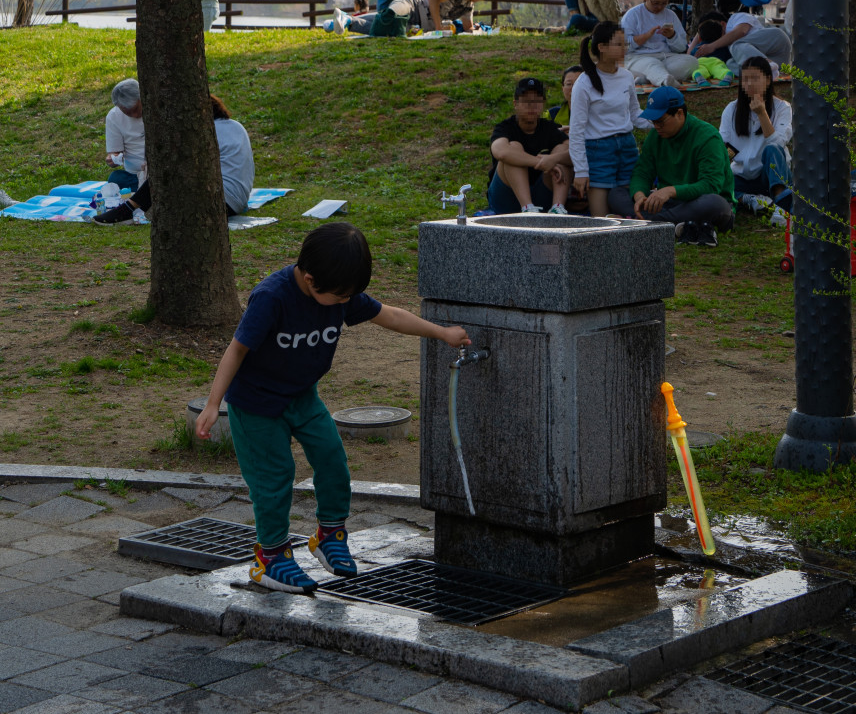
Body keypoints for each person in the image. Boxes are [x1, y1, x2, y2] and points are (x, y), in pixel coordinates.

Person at [196, 222, 469, 592]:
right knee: (274, 479)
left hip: (303, 397)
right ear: (310, 280)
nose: (346, 303)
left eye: (350, 298)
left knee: (332, 459)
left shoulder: (339, 289)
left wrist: (442, 332)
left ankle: (328, 536)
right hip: (257, 405)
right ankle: (271, 558)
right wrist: (214, 403)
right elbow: (237, 348)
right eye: (341, 298)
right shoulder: (272, 297)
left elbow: (389, 315)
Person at [93, 94, 254, 223]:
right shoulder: (236, 126)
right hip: (237, 202)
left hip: (219, 203)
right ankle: (133, 207)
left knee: (167, 170)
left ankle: (129, 208)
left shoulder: (206, 132)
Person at [617, 87, 736, 246]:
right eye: (653, 121)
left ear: (679, 114)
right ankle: (663, 223)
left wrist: (670, 191)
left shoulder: (707, 137)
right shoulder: (655, 136)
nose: (656, 126)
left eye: (660, 121)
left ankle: (647, 223)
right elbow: (642, 172)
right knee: (616, 194)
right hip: (671, 205)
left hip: (700, 201)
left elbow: (710, 185)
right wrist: (640, 196)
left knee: (715, 203)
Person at [568, 22, 648, 217]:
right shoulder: (584, 83)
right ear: (601, 48)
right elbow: (576, 131)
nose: (624, 49)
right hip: (598, 152)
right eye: (618, 44)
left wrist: (660, 123)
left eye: (625, 44)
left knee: (630, 212)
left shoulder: (627, 77)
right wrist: (581, 171)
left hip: (627, 148)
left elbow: (635, 114)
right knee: (601, 219)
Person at [719, 57, 792, 225]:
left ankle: (781, 203)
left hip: (770, 176)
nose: (749, 84)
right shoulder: (732, 109)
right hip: (743, 177)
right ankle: (749, 199)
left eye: (755, 78)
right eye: (745, 79)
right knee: (718, 176)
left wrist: (762, 113)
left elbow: (778, 143)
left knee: (772, 149)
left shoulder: (782, 107)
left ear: (767, 79)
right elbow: (723, 145)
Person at [488, 77, 574, 214]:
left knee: (561, 151)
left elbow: (575, 153)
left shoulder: (549, 128)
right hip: (506, 197)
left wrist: (554, 159)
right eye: (526, 101)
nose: (532, 106)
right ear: (516, 104)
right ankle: (527, 208)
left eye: (537, 101)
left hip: (541, 193)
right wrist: (541, 162)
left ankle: (557, 207)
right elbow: (501, 152)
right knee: (514, 149)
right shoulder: (505, 127)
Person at [336, 0, 493, 36]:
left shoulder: (468, 7)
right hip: (414, 4)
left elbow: (468, 27)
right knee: (390, 15)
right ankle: (347, 20)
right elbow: (433, 0)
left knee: (389, 29)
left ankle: (348, 21)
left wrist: (479, 30)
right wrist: (439, 28)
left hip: (420, 24)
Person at [621, 0, 696, 88]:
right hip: (639, 58)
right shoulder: (632, 15)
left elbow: (681, 48)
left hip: (666, 57)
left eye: (664, 3)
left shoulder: (670, 15)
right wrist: (646, 36)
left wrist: (672, 36)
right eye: (655, 3)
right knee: (651, 64)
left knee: (692, 62)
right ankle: (665, 80)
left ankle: (648, 78)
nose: (660, 7)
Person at [691, 10, 791, 78]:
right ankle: (764, 72)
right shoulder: (723, 44)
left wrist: (712, 46)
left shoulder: (736, 18)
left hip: (776, 43)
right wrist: (700, 33)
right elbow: (690, 53)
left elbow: (741, 32)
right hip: (777, 64)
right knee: (729, 64)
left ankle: (767, 65)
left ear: (722, 24)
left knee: (736, 45)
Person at [104, 78, 146, 193]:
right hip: (135, 174)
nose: (135, 115)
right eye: (127, 112)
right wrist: (112, 158)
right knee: (116, 179)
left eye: (136, 109)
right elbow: (115, 152)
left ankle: (144, 191)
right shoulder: (114, 117)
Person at [690, 21, 732, 87]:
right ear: (721, 35)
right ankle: (726, 74)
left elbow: (691, 57)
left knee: (699, 70)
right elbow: (727, 56)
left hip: (701, 62)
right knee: (719, 69)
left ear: (700, 38)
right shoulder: (722, 46)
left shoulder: (697, 48)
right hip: (716, 61)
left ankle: (699, 76)